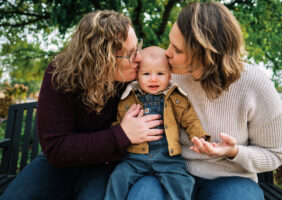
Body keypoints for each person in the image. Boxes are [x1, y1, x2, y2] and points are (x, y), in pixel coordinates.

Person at [129, 2, 282, 200]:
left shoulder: (255, 84)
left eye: (177, 50)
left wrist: (234, 151)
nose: (167, 53)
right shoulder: (166, 76)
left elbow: (274, 155)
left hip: (231, 179)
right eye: (170, 43)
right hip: (168, 170)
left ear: (206, 55)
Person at [0, 10, 165, 200]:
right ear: (102, 60)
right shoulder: (60, 75)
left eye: (138, 48)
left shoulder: (136, 77)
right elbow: (55, 147)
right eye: (129, 54)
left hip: (104, 164)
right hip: (59, 164)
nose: (139, 58)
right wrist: (122, 134)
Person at [104, 46, 210, 200]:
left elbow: (190, 119)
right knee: (117, 178)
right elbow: (119, 126)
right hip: (135, 157)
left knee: (182, 182)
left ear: (169, 76)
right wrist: (110, 150)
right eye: (146, 74)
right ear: (137, 76)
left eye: (160, 73)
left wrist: (199, 137)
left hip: (167, 157)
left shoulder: (176, 97)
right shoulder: (128, 98)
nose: (153, 79)